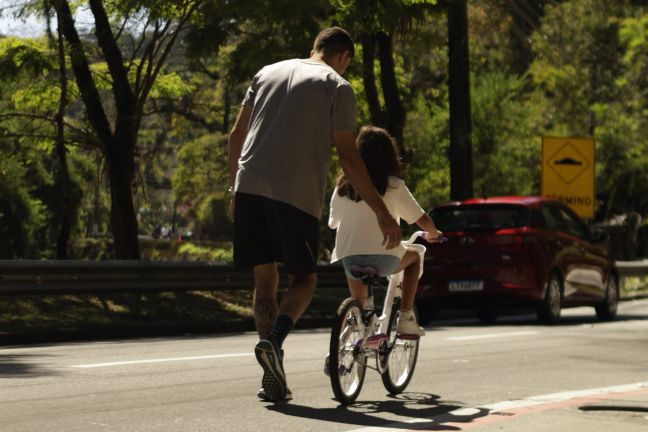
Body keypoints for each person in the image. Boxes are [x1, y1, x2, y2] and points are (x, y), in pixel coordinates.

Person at [227, 27, 402, 402]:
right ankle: (274, 340)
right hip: (295, 192)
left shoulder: (266, 72)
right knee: (304, 280)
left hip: (250, 186)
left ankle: (271, 375)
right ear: (344, 57)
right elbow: (349, 158)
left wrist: (235, 191)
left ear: (315, 47)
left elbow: (236, 137)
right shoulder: (337, 86)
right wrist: (382, 212)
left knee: (265, 282)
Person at [328, 126, 444, 336]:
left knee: (360, 308)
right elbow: (422, 219)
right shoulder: (393, 185)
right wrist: (434, 233)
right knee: (415, 258)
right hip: (384, 257)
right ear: (389, 155)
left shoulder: (343, 186)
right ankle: (406, 317)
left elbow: (333, 223)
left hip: (349, 256)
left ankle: (350, 336)